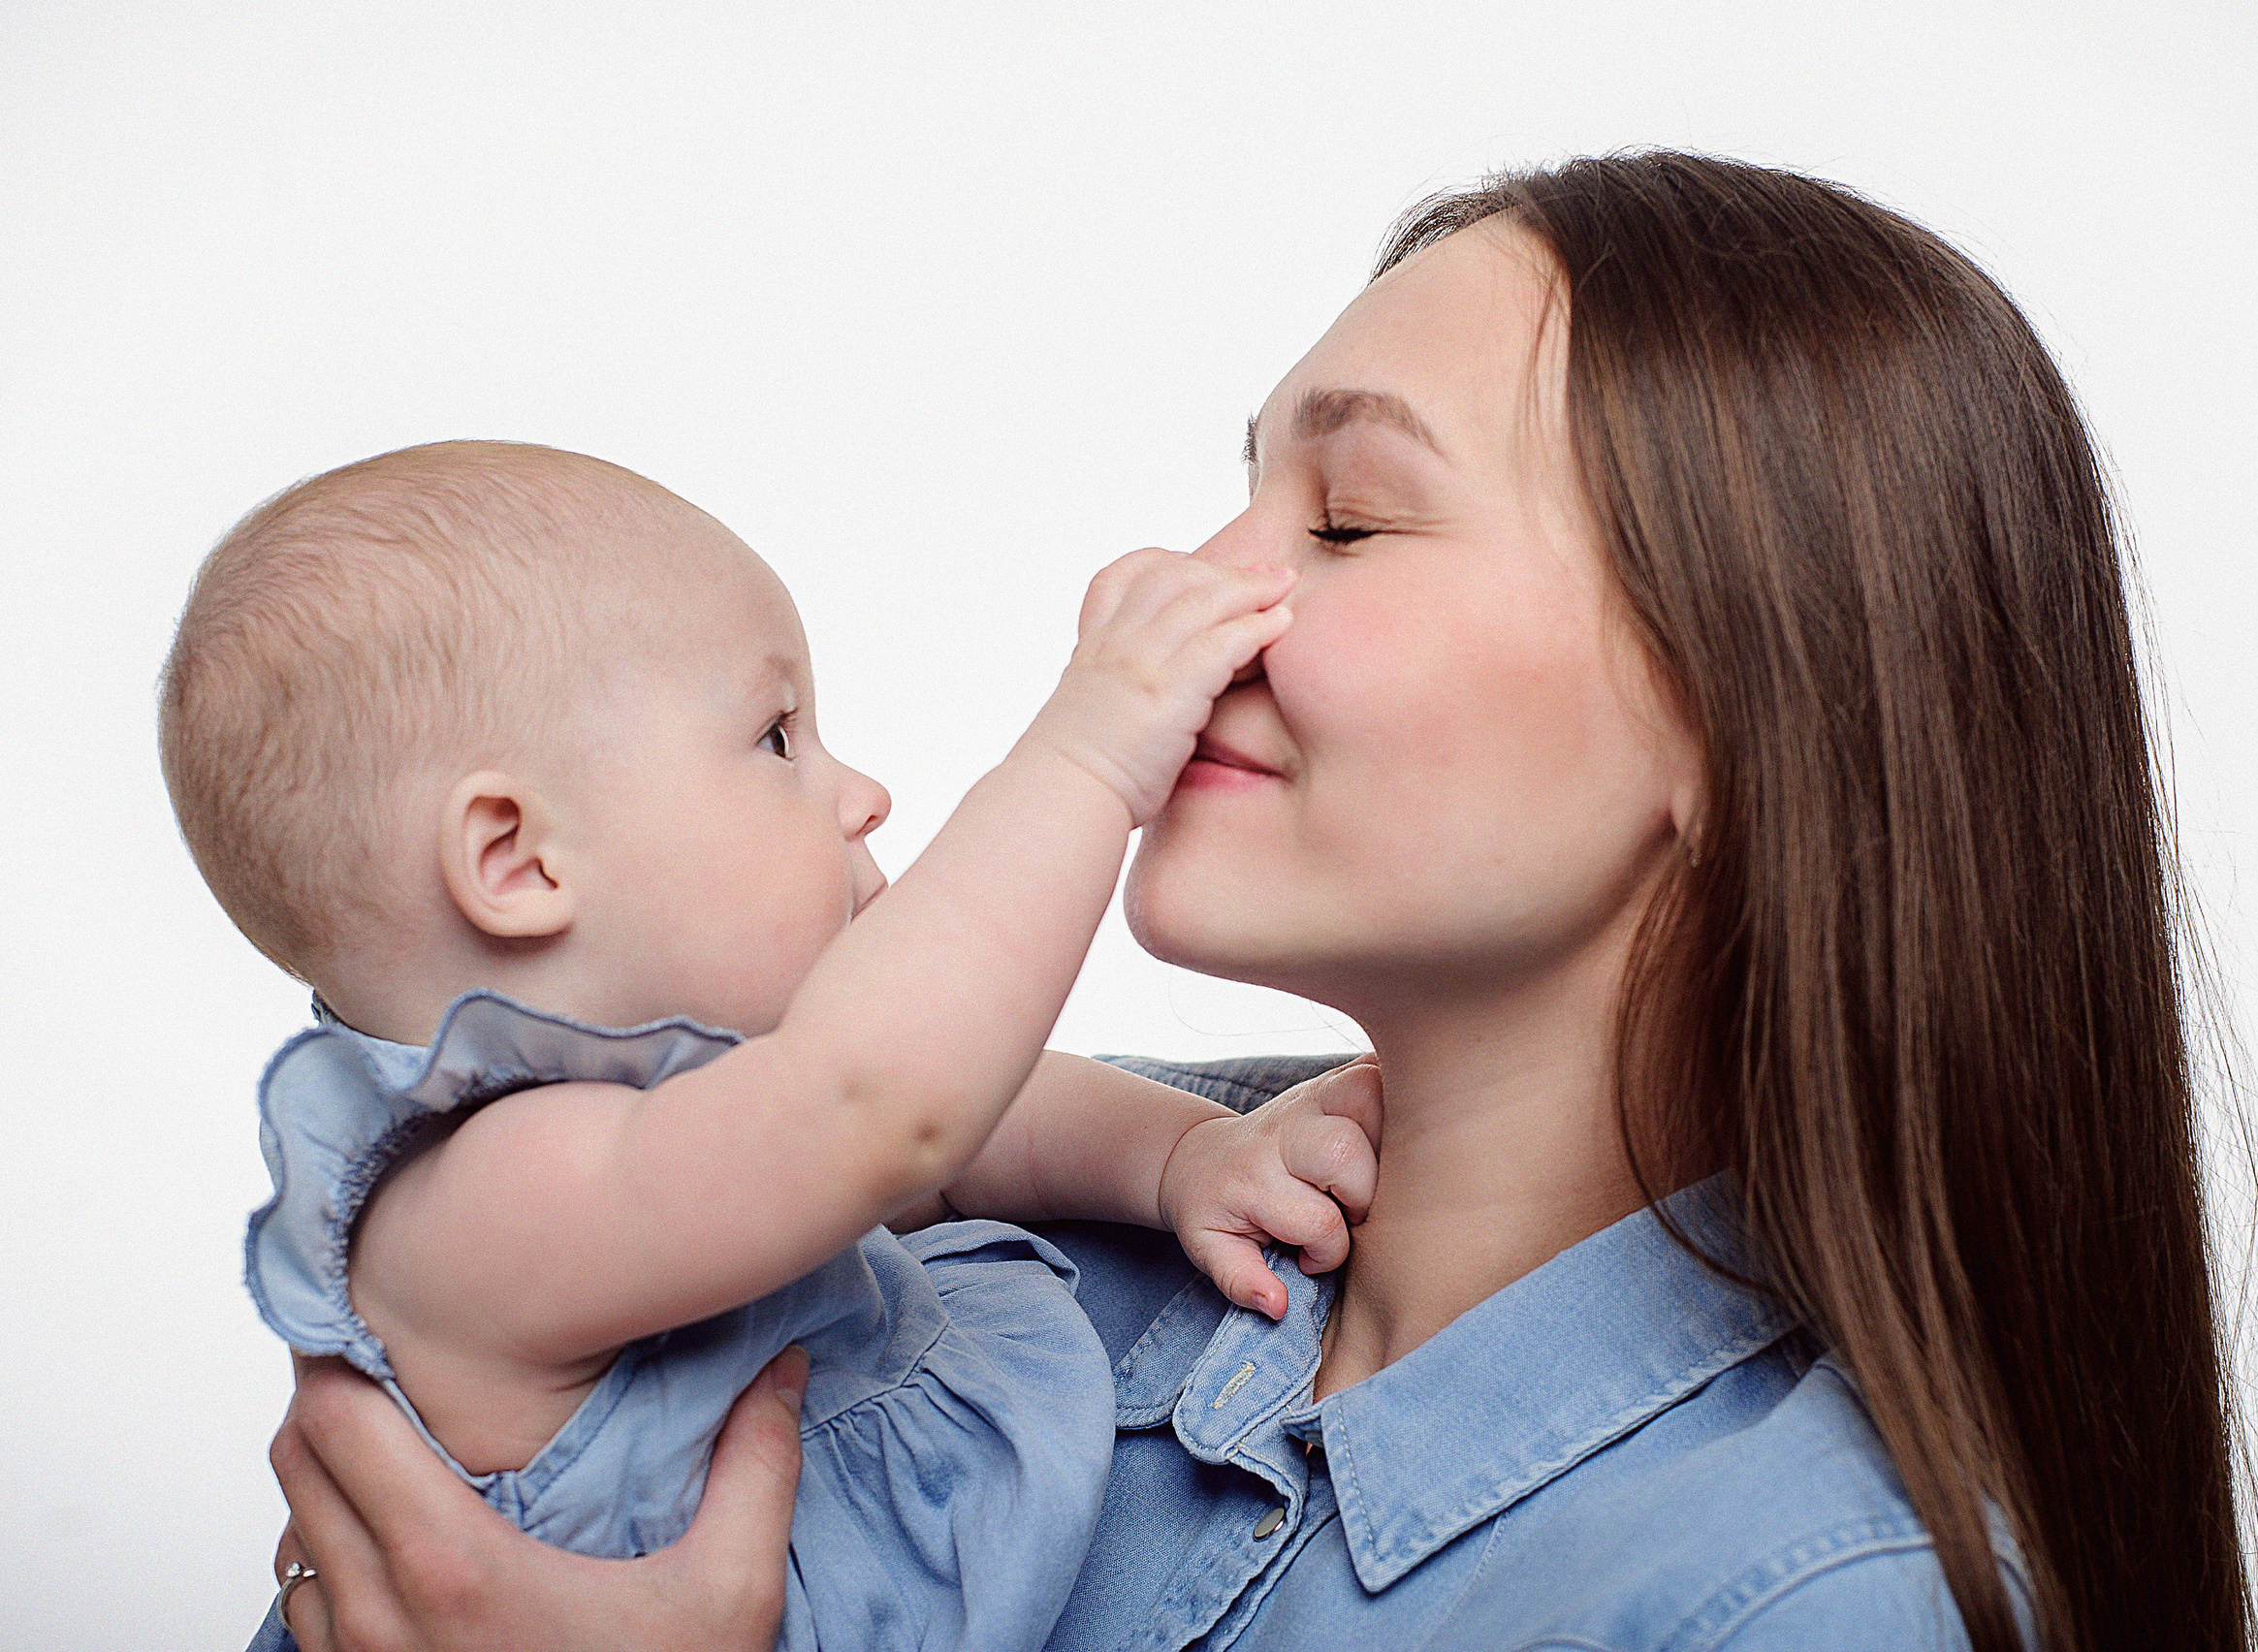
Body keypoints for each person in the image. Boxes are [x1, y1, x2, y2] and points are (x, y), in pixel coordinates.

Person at [253, 151, 2257, 1652]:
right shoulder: (1001, 1201)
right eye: (1234, 494)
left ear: (1744, 706)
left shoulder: (1806, 1604)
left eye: (1351, 517)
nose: (1195, 588)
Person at [160, 441, 1383, 1652]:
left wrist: (1181, 1157)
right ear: (520, 862)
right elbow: (889, 1111)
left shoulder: (707, 1122)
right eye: (777, 735)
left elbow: (965, 1132)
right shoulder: (487, 1194)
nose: (862, 795)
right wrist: (1087, 753)